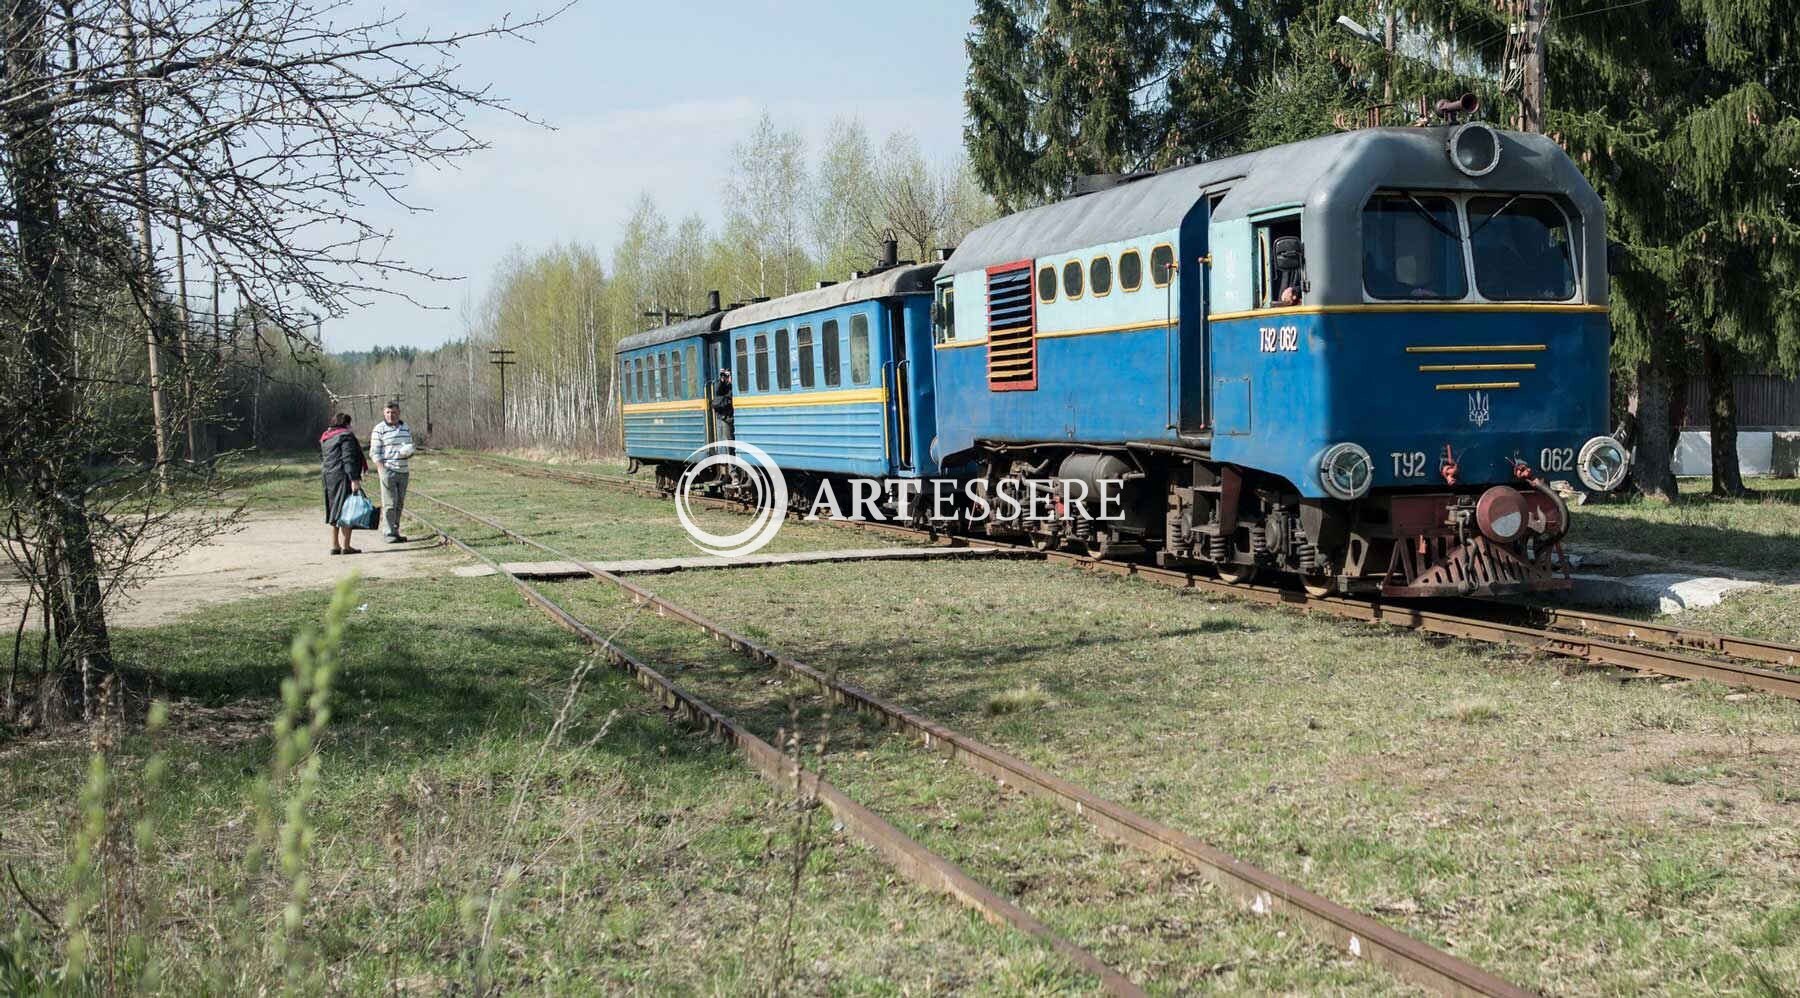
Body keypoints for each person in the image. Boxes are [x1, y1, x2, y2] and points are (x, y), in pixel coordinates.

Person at [320, 412, 367, 555]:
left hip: (329, 477)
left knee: (334, 509)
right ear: (346, 424)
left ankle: (335, 545)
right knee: (348, 509)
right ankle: (346, 546)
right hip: (343, 476)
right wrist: (354, 479)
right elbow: (348, 458)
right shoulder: (346, 436)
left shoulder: (326, 437)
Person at [370, 400, 416, 543]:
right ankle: (388, 532)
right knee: (389, 503)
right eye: (388, 412)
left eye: (394, 412)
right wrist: (380, 468)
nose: (391, 415)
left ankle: (395, 530)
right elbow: (374, 452)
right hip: (388, 470)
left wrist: (409, 452)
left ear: (399, 413)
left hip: (403, 470)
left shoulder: (405, 428)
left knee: (399, 503)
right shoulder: (379, 429)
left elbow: (410, 446)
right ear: (384, 413)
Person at [711, 368, 735, 440]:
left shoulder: (732, 386)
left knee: (730, 436)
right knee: (728, 437)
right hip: (725, 417)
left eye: (728, 376)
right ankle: (730, 451)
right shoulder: (723, 386)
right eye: (726, 376)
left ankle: (731, 450)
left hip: (730, 415)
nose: (727, 378)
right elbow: (718, 392)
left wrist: (730, 382)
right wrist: (722, 380)